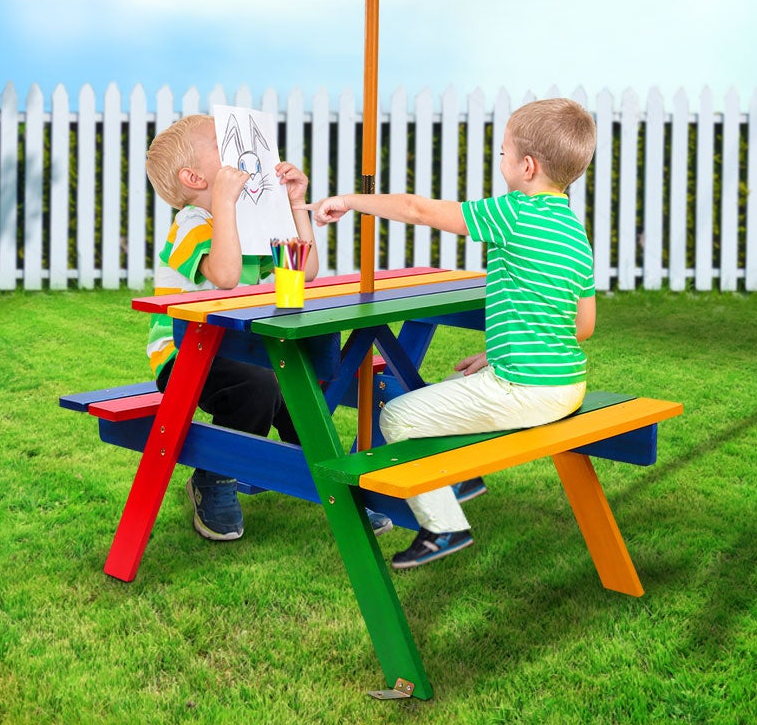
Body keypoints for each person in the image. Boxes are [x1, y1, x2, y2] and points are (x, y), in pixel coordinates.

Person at [312, 98, 597, 569]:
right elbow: (582, 327)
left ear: (527, 167)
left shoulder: (515, 213)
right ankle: (462, 480)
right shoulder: (573, 229)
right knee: (445, 392)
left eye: (502, 153)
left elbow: (418, 210)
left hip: (526, 390)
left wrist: (349, 200)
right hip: (567, 387)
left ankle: (445, 527)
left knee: (397, 417)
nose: (499, 161)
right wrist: (504, 350)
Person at [145, 114, 393, 542]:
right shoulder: (190, 224)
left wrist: (296, 205)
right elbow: (224, 274)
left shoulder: (253, 224)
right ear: (195, 177)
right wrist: (224, 205)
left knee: (303, 393)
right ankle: (215, 478)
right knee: (259, 387)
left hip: (249, 348)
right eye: (226, 148)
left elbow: (306, 269)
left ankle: (335, 486)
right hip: (185, 355)